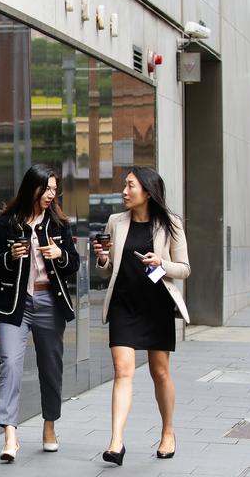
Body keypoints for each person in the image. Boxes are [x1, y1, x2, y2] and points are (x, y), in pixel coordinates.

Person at [93, 166, 190, 466]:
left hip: (156, 306)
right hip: (124, 305)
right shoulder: (115, 222)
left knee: (159, 372)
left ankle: (168, 432)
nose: (124, 191)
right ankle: (116, 442)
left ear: (147, 191)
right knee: (123, 371)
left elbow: (184, 269)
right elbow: (108, 269)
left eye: (130, 186)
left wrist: (160, 262)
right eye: (125, 185)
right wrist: (102, 258)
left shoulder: (170, 224)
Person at [0, 164, 80, 462]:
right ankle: (10, 435)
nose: (51, 194)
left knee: (50, 367)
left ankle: (49, 426)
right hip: (14, 304)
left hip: (49, 302)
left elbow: (74, 264)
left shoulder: (59, 224)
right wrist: (9, 258)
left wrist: (60, 255)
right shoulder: (6, 223)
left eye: (54, 189)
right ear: (32, 188)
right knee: (10, 364)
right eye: (46, 188)